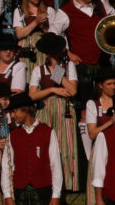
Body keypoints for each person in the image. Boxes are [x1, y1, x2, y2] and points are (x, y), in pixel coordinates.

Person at [55, 0, 115, 106]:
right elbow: (52, 38)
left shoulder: (101, 4)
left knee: (106, 102)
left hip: (103, 63)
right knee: (83, 104)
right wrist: (68, 53)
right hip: (81, 67)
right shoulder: (64, 11)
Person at [28, 33, 80, 193]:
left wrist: (56, 71)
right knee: (47, 147)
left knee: (66, 146)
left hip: (64, 110)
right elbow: (32, 95)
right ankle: (47, 183)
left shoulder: (68, 66)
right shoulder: (38, 69)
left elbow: (72, 91)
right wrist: (51, 89)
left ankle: (67, 185)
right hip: (46, 110)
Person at [83, 69, 115, 205]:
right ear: (100, 86)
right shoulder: (93, 104)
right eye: (109, 84)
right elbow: (91, 133)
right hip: (100, 150)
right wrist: (110, 122)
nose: (113, 87)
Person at [13, 0, 66, 77]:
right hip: (29, 48)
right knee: (30, 75)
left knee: (51, 73)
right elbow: (20, 34)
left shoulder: (48, 10)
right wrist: (36, 22)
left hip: (46, 45)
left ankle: (55, 87)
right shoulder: (19, 11)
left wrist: (45, 27)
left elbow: (54, 33)